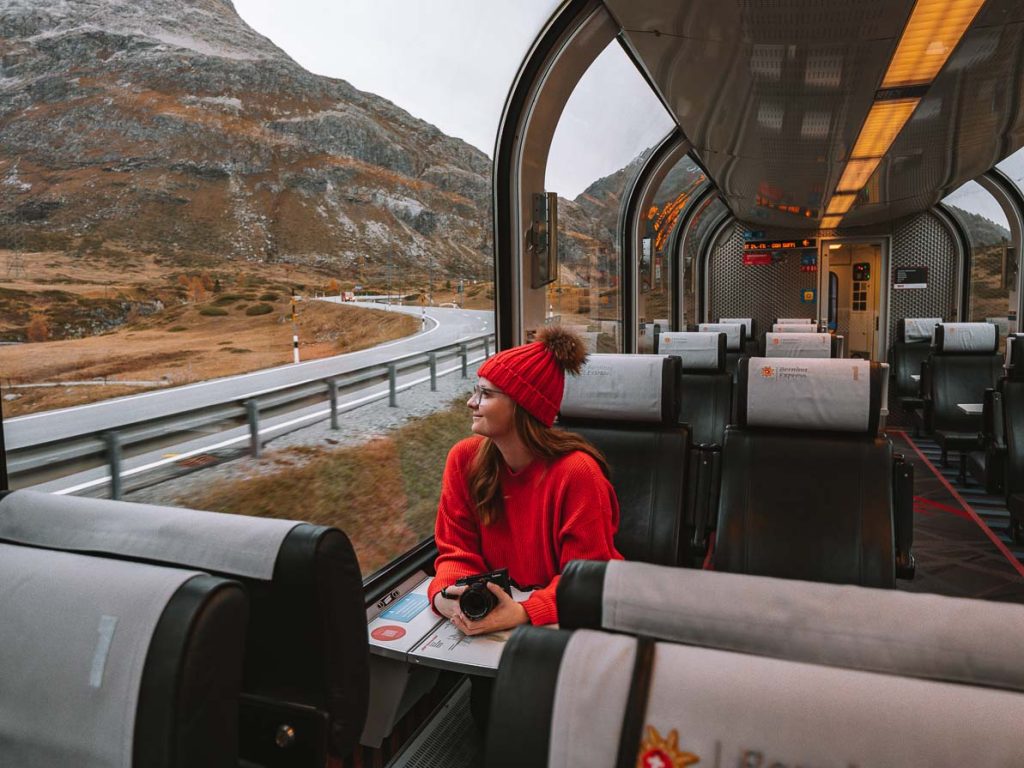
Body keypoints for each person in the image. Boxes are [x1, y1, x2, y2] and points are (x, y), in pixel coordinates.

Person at [428, 325, 623, 635]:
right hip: (502, 610)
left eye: (486, 393)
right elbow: (456, 551)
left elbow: (585, 578)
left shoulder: (578, 473)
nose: (471, 402)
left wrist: (523, 612)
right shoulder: (464, 459)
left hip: (566, 621)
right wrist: (447, 595)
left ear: (521, 405)